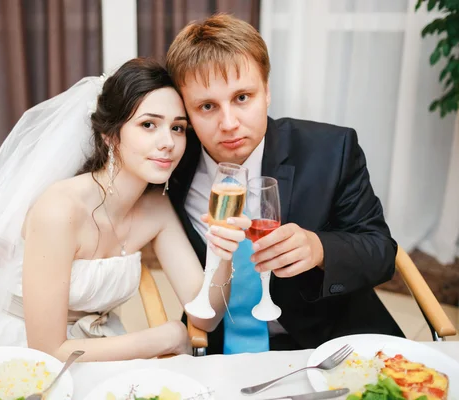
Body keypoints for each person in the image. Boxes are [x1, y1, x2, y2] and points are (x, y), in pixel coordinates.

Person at [0, 58, 251, 362]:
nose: (167, 142)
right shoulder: (60, 210)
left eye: (178, 128)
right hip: (18, 350)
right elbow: (46, 351)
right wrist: (164, 336)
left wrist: (221, 255)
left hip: (97, 349)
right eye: (149, 124)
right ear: (111, 136)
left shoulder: (157, 209)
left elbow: (204, 317)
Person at [165, 14, 404, 354]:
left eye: (242, 98)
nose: (229, 123)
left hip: (333, 339)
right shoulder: (171, 171)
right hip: (220, 343)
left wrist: (319, 248)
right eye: (207, 106)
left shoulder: (332, 150)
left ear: (267, 92)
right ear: (186, 112)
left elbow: (381, 253)